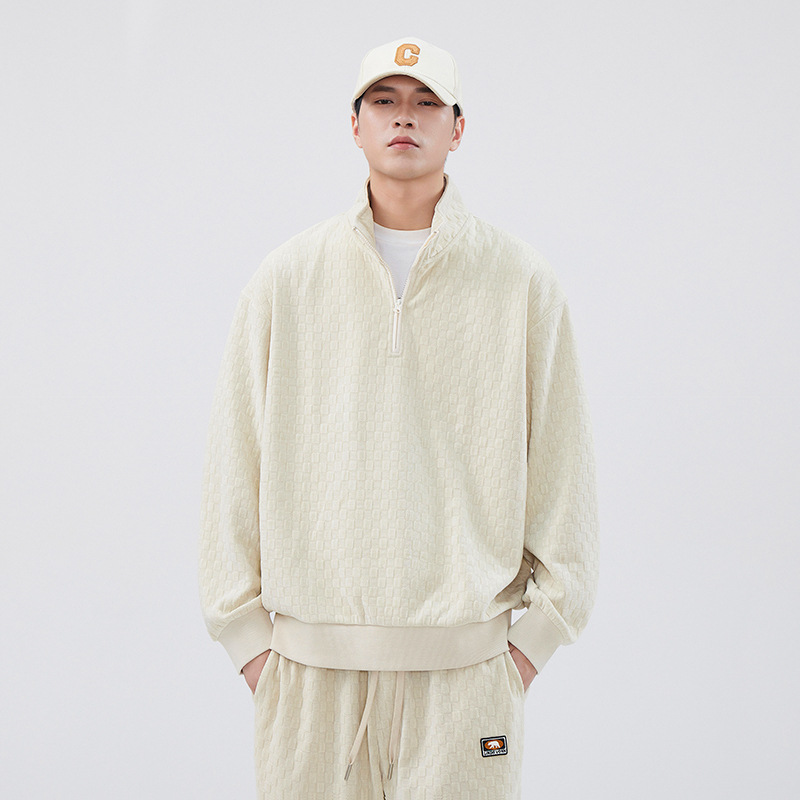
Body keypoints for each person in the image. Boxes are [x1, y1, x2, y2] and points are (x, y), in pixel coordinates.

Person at [198, 35, 599, 800]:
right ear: (355, 126)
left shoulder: (519, 281)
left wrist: (530, 646)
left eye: (425, 103)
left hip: (467, 676)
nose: (404, 117)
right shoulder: (288, 278)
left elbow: (562, 466)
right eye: (384, 101)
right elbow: (233, 460)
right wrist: (251, 646)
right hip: (308, 678)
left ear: (458, 127)